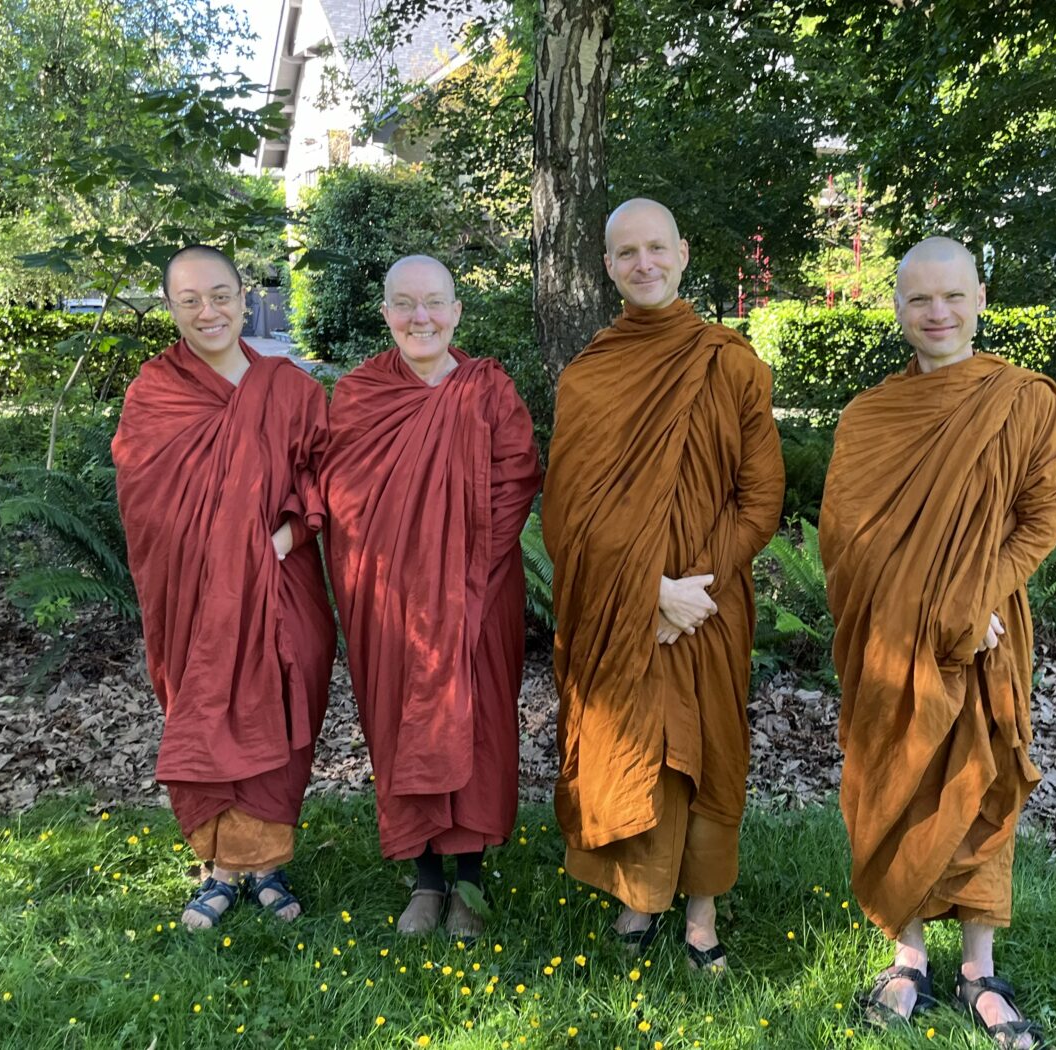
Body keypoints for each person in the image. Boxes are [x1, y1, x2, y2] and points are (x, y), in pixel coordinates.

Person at [819, 237, 1056, 1048]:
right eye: (920, 299)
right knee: (895, 775)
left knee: (980, 777)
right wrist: (927, 604)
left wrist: (981, 592)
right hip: (892, 639)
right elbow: (845, 538)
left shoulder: (1021, 400)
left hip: (988, 633)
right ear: (897, 309)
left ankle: (978, 971)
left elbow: (1048, 507)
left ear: (980, 298)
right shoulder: (869, 417)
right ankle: (907, 959)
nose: (938, 313)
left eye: (952, 296)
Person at [542, 198, 785, 971]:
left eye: (656, 248)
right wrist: (649, 591)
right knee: (633, 739)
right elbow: (567, 515)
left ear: (682, 254)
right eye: (626, 253)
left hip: (711, 606)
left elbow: (761, 496)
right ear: (609, 267)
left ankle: (702, 914)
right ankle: (635, 898)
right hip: (624, 605)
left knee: (708, 749)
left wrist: (693, 593)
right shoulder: (589, 378)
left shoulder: (731, 362)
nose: (643, 263)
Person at [113, 244, 336, 929]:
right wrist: (220, 551)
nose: (207, 311)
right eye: (189, 300)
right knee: (205, 704)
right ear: (171, 309)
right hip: (195, 593)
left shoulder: (292, 390)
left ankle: (265, 863)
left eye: (219, 294)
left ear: (243, 296)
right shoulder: (156, 391)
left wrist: (278, 540)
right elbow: (143, 497)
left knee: (284, 696)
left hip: (279, 579)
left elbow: (325, 481)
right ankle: (216, 867)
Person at [323, 255, 541, 940]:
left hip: (478, 589)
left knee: (475, 720)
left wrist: (457, 569)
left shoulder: (488, 390)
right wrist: (402, 566)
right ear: (385, 312)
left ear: (456, 312)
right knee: (399, 719)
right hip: (386, 595)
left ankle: (469, 878)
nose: (421, 318)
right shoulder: (359, 396)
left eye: (435, 302)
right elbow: (340, 492)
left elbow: (516, 480)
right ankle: (423, 877)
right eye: (405, 303)